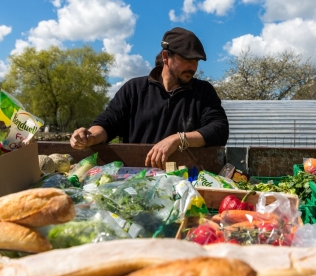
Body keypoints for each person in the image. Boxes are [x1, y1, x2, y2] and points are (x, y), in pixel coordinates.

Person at [70, 27, 229, 169]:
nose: (193, 67)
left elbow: (219, 129)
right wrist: (89, 137)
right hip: (135, 178)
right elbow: (108, 123)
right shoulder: (134, 89)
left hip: (185, 179)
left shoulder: (203, 91)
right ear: (166, 57)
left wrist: (177, 139)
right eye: (187, 60)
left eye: (196, 62)